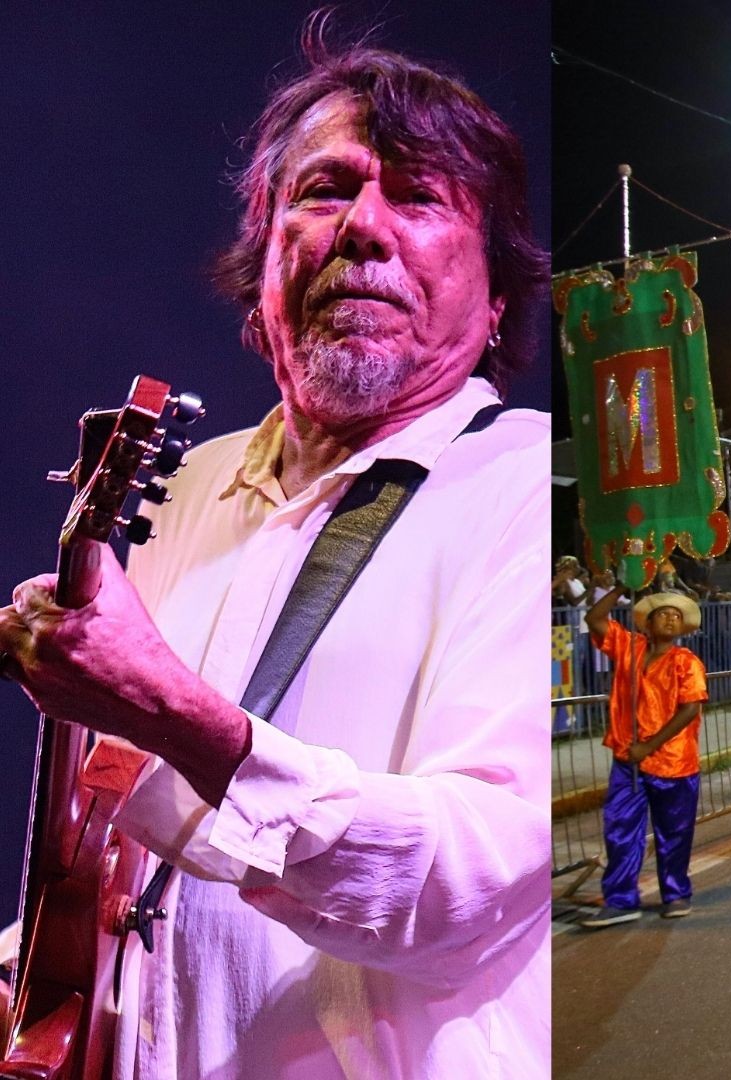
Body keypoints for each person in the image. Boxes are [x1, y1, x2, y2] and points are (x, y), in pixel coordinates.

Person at [0, 31, 549, 1077]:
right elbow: (110, 858)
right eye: (325, 190)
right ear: (262, 272)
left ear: (495, 304)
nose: (364, 229)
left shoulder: (523, 488)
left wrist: (169, 709)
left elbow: (473, 886)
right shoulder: (187, 486)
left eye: (421, 197)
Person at [579, 589, 706, 926]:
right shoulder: (628, 647)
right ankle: (621, 900)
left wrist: (649, 746)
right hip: (628, 760)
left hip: (673, 763)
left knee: (674, 833)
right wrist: (621, 585)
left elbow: (690, 708)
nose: (670, 618)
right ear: (647, 623)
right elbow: (593, 619)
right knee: (619, 830)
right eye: (662, 613)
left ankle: (676, 893)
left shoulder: (686, 661)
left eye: (676, 616)